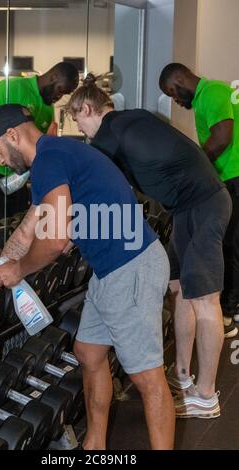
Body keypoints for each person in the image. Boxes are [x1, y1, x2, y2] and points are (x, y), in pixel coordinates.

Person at [0, 103, 175, 450]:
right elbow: (25, 235)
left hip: (131, 267)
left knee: (146, 377)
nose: (0, 161)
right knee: (88, 351)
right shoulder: (55, 158)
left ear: (13, 135)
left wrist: (20, 270)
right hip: (110, 272)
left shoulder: (50, 159)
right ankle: (94, 445)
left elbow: (54, 240)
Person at [65, 75, 232, 420]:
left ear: (86, 108)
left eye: (77, 119)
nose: (80, 128)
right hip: (187, 208)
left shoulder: (112, 129)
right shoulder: (132, 120)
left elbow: (86, 180)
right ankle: (184, 376)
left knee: (205, 298)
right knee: (180, 288)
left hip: (204, 203)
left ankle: (206, 394)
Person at [159, 63, 239, 331]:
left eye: (172, 92)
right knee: (229, 245)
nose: (176, 100)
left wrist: (195, 166)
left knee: (229, 246)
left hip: (233, 177)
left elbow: (222, 138)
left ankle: (228, 312)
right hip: (228, 178)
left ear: (180, 79)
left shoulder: (213, 92)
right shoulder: (208, 96)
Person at [0, 62, 79, 227]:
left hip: (12, 173)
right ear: (53, 77)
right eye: (60, 90)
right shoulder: (10, 87)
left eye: (63, 95)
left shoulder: (47, 108)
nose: (58, 97)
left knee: (11, 224)